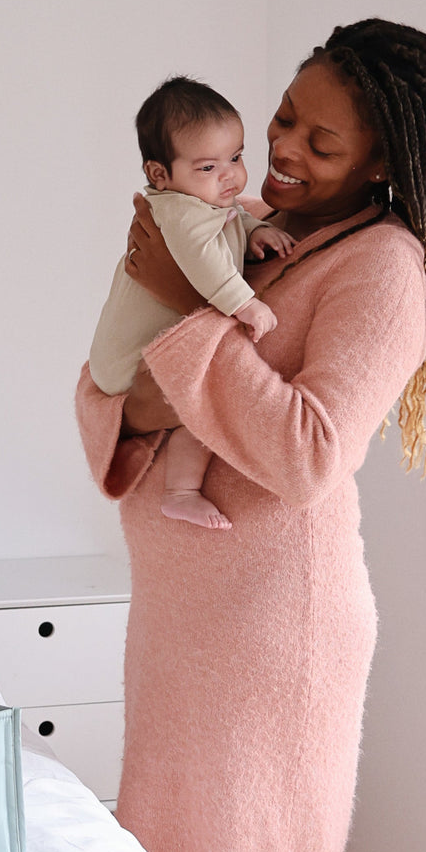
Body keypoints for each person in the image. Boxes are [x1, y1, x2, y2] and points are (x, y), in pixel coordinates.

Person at [75, 18, 426, 852]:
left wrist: (185, 319)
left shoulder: (381, 269)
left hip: (271, 635)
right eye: (285, 119)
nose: (283, 149)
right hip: (184, 621)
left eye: (320, 141)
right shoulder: (238, 225)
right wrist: (166, 343)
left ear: (380, 160)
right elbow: (112, 380)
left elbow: (307, 450)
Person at [88, 76, 295, 530]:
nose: (230, 175)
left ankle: (180, 490)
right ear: (160, 174)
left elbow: (232, 217)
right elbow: (202, 259)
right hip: (131, 359)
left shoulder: (202, 202)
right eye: (207, 167)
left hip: (141, 349)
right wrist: (244, 303)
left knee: (201, 404)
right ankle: (180, 491)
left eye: (236, 157)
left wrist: (256, 230)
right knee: (202, 408)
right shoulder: (179, 213)